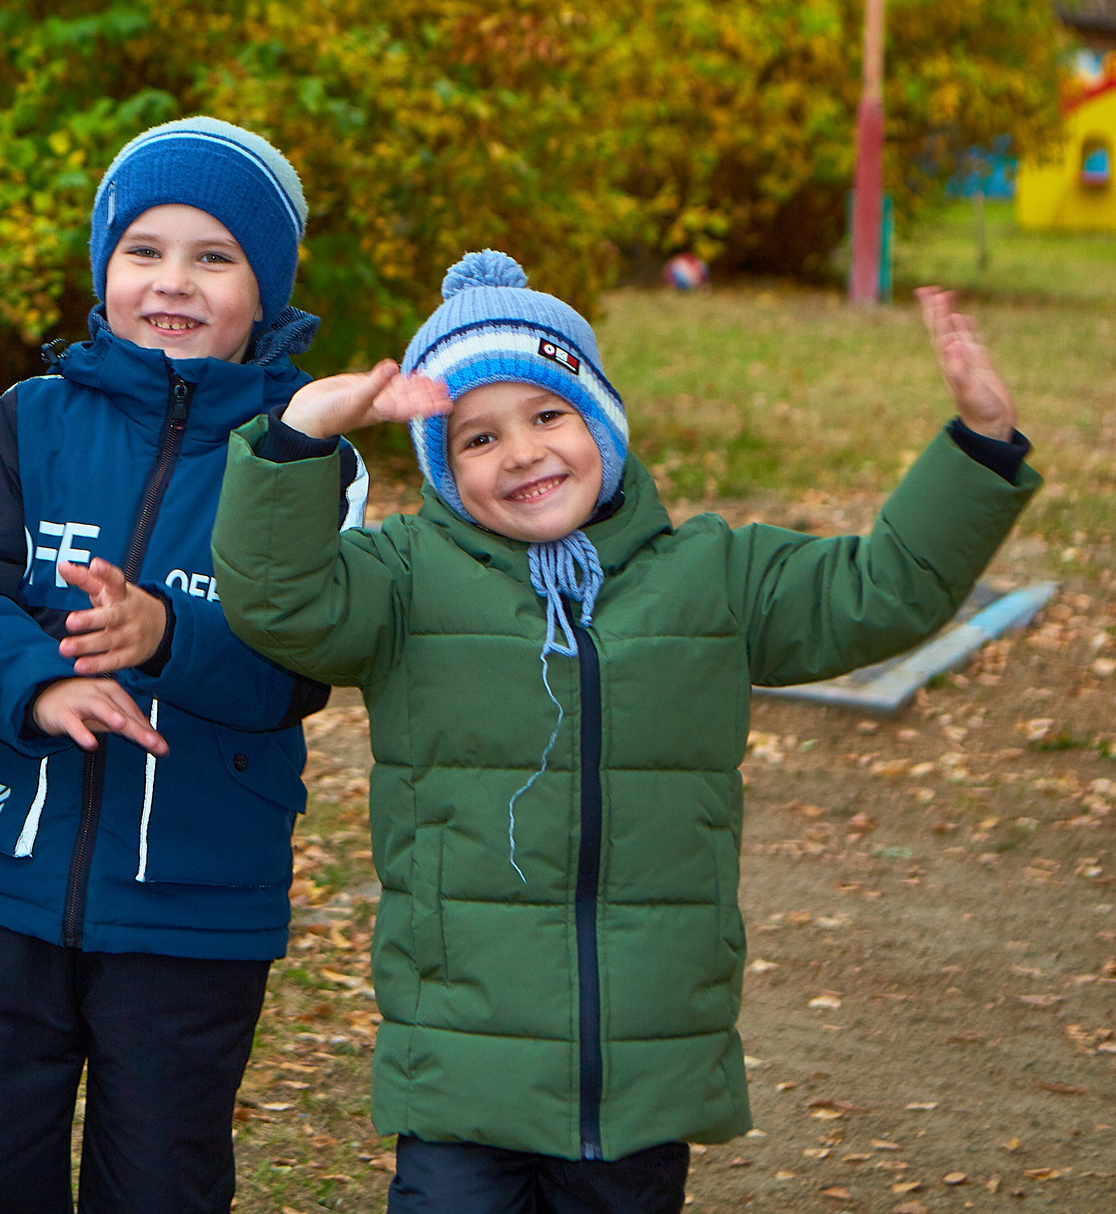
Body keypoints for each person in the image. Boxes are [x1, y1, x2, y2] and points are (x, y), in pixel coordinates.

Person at [213, 252, 1038, 1214]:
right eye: (476, 437)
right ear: (442, 469)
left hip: (638, 1072)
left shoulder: (714, 575)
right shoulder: (402, 578)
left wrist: (979, 444)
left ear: (601, 419)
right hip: (461, 1061)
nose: (521, 452)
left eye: (549, 414)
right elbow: (278, 599)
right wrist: (304, 432)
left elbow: (882, 590)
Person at [0, 118, 362, 1214]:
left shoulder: (309, 460)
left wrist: (168, 637)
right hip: (4, 879)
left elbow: (302, 664)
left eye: (214, 257)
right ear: (103, 267)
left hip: (197, 901)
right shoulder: (29, 418)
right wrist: (41, 684)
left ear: (266, 290)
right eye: (144, 251)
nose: (173, 282)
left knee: (161, 1181)